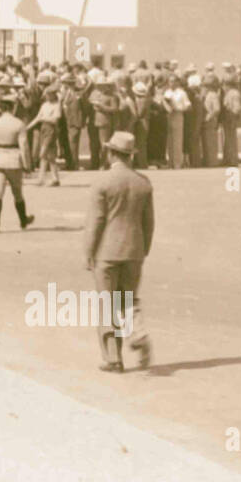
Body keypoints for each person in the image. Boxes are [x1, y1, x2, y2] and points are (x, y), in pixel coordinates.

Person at [82, 131, 154, 373]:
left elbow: (96, 222)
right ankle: (138, 331)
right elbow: (149, 223)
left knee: (107, 303)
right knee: (127, 299)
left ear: (111, 152)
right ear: (130, 155)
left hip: (107, 251)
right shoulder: (143, 183)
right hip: (134, 250)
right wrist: (143, 250)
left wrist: (88, 252)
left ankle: (113, 357)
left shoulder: (102, 183)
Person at [0, 90, 34, 232]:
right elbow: (24, 146)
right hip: (13, 158)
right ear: (12, 107)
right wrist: (27, 165)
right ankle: (23, 221)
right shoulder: (19, 124)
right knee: (18, 192)